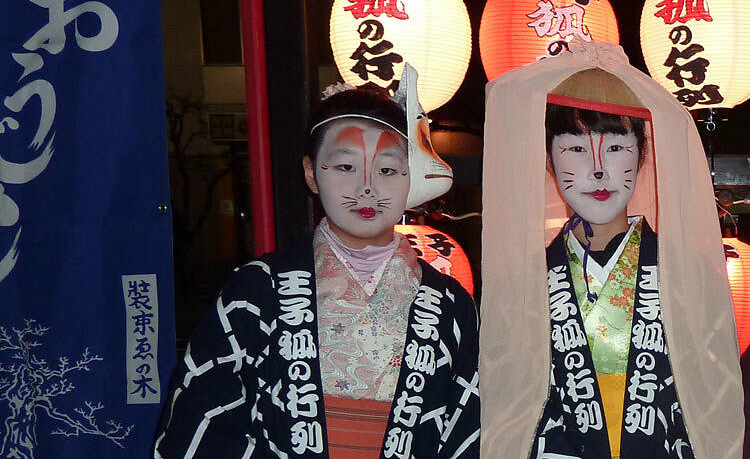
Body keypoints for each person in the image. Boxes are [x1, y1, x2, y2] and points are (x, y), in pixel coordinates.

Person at [153, 64, 480, 459]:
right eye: (345, 166)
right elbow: (203, 418)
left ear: (412, 178)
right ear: (311, 173)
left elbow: (467, 428)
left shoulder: (449, 304)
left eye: (389, 169)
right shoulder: (255, 291)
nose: (367, 187)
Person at [480, 39, 743, 459]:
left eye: (617, 146)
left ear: (643, 157)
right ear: (548, 160)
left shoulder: (686, 272)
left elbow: (711, 397)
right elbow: (509, 404)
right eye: (576, 148)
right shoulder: (524, 280)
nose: (598, 169)